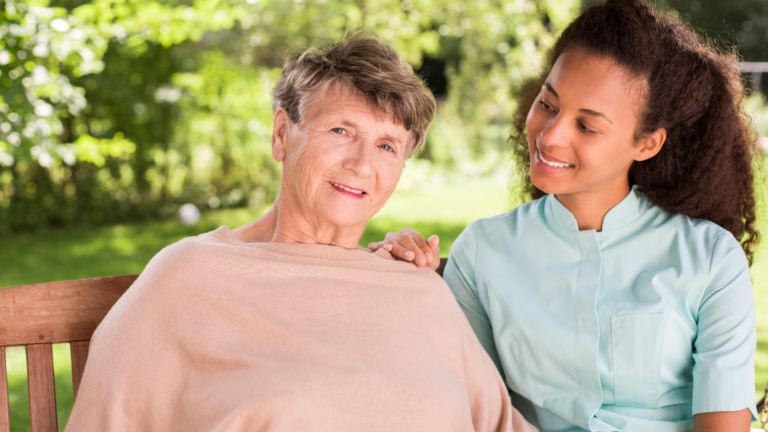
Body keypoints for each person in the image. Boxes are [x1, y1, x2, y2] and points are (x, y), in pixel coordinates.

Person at [65, 32, 536, 432]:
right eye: (340, 131)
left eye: (387, 145)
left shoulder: (416, 286)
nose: (362, 165)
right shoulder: (188, 278)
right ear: (280, 134)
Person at [369, 1, 759, 431]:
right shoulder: (483, 252)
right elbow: (469, 409)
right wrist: (404, 286)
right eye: (548, 104)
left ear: (646, 143)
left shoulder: (710, 260)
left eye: (587, 126)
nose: (550, 136)